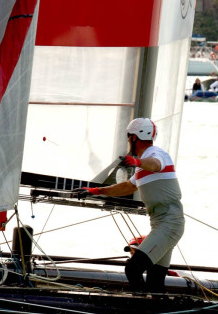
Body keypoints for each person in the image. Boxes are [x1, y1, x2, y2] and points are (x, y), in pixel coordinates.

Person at [78, 118, 184, 293]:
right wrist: (94, 191)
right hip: (165, 225)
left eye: (128, 137)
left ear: (135, 137)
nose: (128, 141)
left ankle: (141, 308)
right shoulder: (143, 167)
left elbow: (156, 165)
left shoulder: (156, 155)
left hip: (169, 225)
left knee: (132, 269)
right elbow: (126, 186)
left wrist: (137, 162)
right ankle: (160, 313)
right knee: (155, 282)